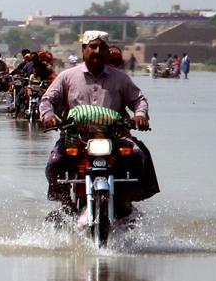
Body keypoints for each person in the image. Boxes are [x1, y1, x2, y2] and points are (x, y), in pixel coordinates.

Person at [41, 31, 157, 217]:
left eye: (101, 47)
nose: (97, 51)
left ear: (107, 52)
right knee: (55, 162)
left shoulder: (120, 78)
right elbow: (48, 100)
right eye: (92, 47)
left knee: (138, 159)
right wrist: (48, 115)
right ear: (83, 50)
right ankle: (65, 204)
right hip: (76, 138)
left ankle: (126, 201)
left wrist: (140, 114)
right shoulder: (67, 76)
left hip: (114, 137)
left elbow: (139, 100)